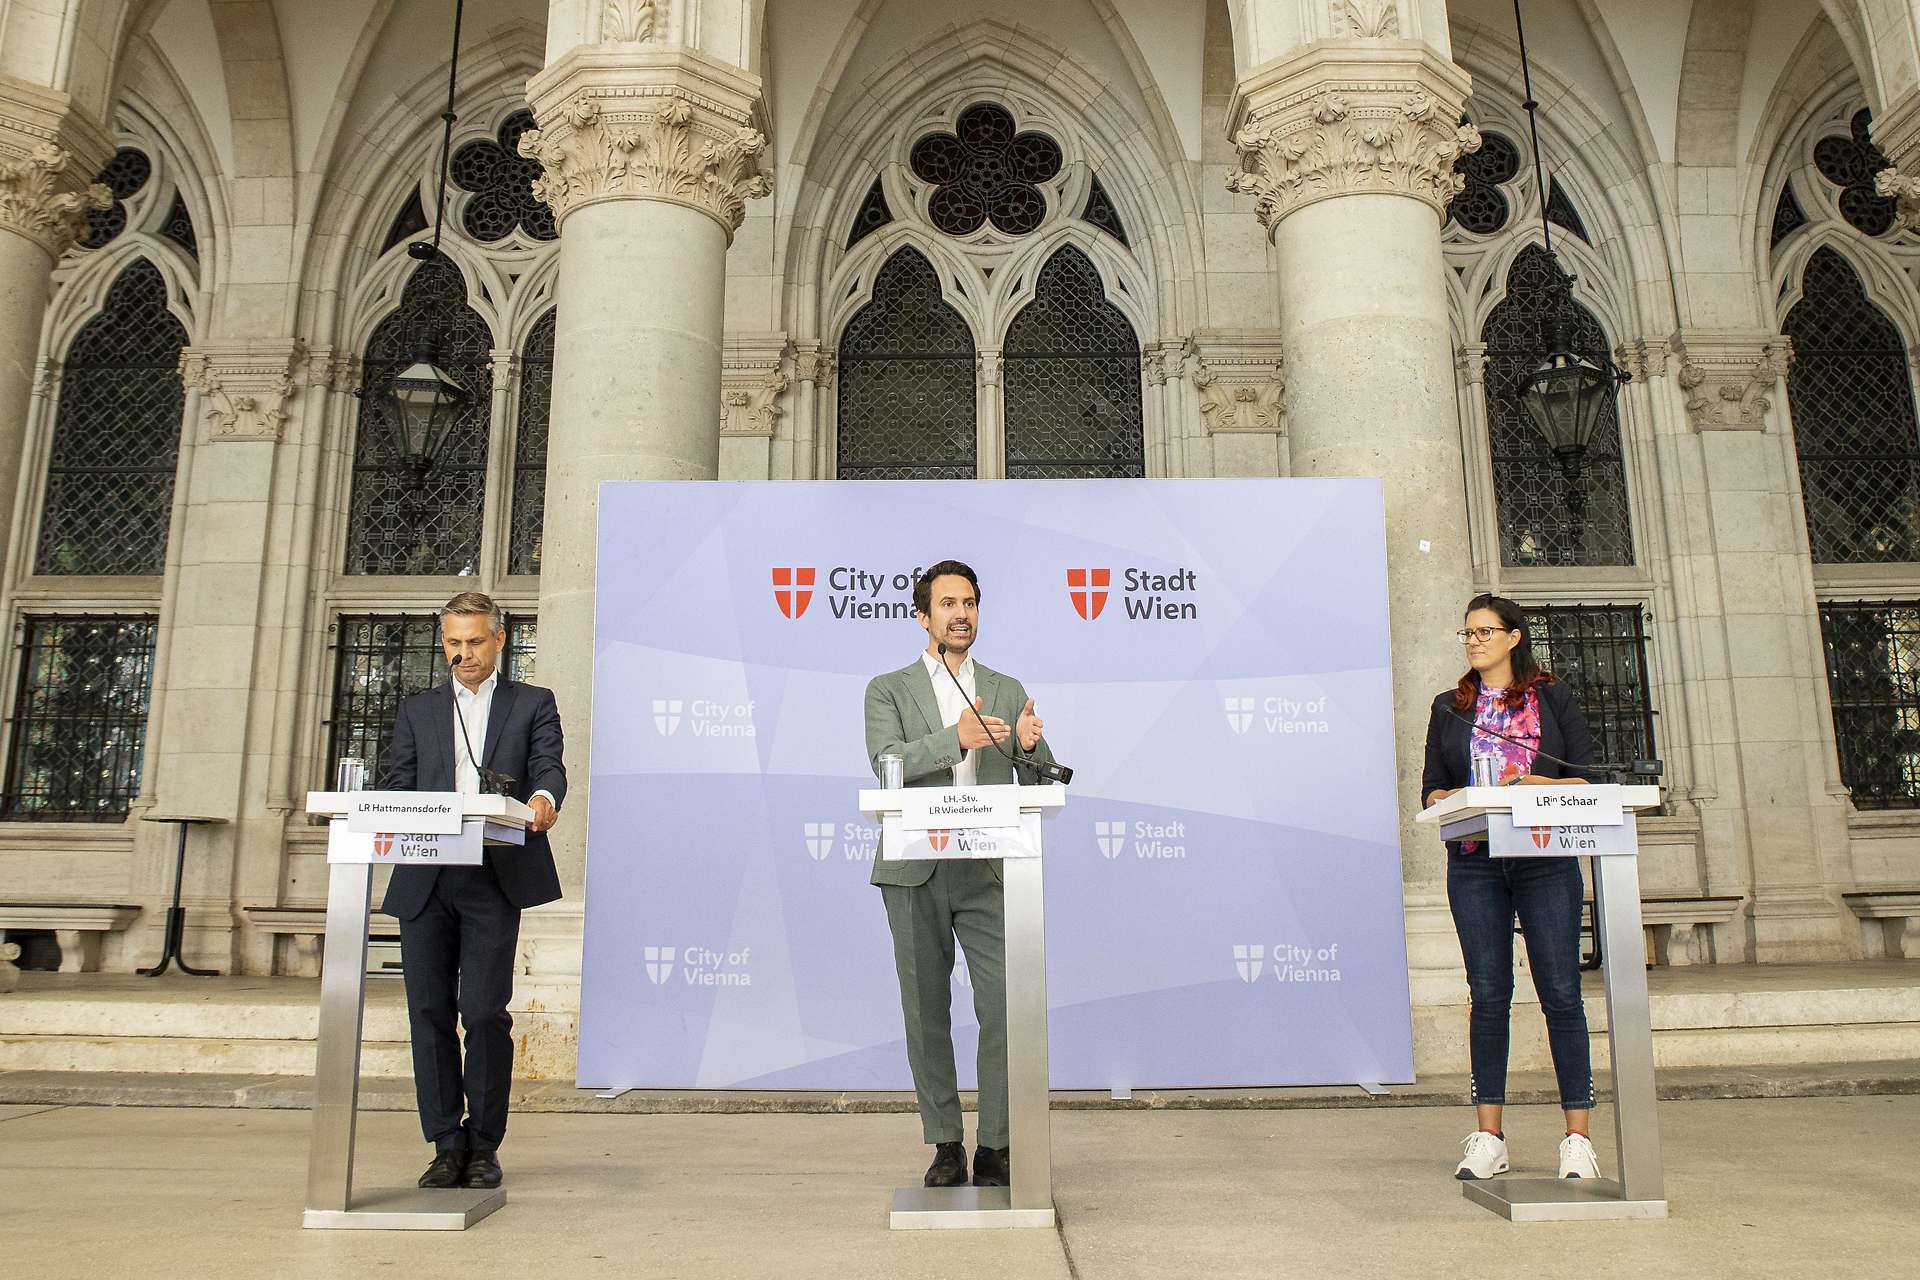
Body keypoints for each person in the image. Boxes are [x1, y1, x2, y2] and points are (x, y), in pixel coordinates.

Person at [863, 560, 1056, 1190]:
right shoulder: (887, 689)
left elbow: (1040, 775)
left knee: (1003, 1005)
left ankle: (995, 1143)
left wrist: (1027, 745)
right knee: (926, 1011)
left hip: (986, 869)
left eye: (969, 603)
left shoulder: (1005, 687)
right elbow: (886, 762)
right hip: (914, 869)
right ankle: (946, 1142)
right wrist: (957, 737)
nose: (961, 614)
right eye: (947, 604)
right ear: (923, 616)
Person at [383, 591, 565, 1191]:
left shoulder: (533, 702)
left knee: (484, 1013)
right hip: (426, 877)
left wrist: (544, 799)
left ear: (499, 640)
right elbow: (399, 783)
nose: (463, 654)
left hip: (492, 874)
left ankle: (484, 1144)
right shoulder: (418, 709)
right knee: (428, 1011)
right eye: (453, 643)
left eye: (475, 642)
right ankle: (445, 1143)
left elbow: (549, 766)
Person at [1420, 593, 1602, 1183]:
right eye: (1467, 633)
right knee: (1489, 992)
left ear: (1513, 637)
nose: (1473, 642)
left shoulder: (1553, 697)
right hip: (1475, 862)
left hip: (1545, 860)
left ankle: (1577, 1139)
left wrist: (1537, 782)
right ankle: (1489, 1137)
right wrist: (1450, 796)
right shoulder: (1450, 707)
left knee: (1561, 992)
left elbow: (1586, 776)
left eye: (1484, 632)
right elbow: (1431, 786)